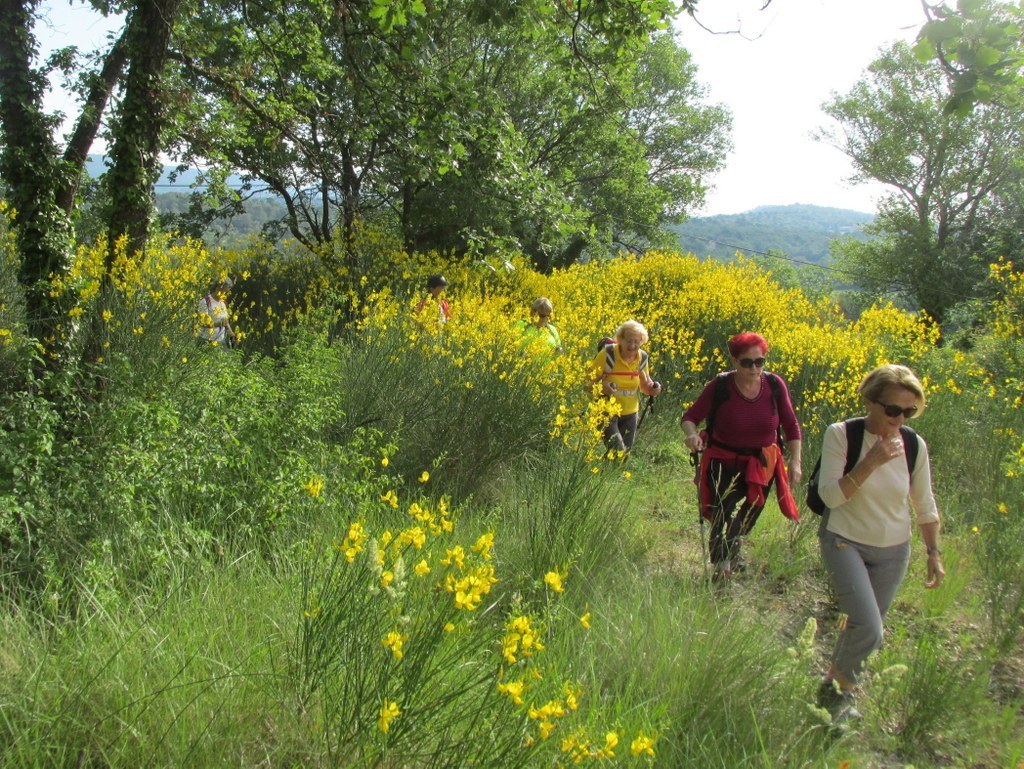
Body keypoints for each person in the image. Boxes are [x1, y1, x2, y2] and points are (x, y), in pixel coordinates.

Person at [814, 364, 944, 725]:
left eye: (908, 411)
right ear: (871, 401)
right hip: (844, 541)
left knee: (862, 627)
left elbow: (924, 502)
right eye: (893, 410)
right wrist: (870, 462)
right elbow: (830, 496)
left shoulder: (914, 445)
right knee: (870, 627)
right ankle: (843, 695)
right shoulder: (842, 435)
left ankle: (832, 687)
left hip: (894, 549)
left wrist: (933, 552)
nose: (899, 419)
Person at [680, 332, 802, 581]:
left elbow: (791, 425)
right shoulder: (721, 385)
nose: (754, 368)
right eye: (747, 362)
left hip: (762, 461)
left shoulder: (775, 385)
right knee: (720, 510)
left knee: (752, 510)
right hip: (723, 458)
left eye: (760, 362)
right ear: (734, 362)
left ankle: (734, 544)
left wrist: (796, 461)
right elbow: (690, 417)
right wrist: (691, 435)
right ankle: (721, 564)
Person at [589, 320, 662, 453]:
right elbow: (586, 383)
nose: (633, 345)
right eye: (629, 341)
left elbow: (645, 386)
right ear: (620, 339)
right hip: (606, 411)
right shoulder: (607, 355)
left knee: (623, 455)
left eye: (637, 342)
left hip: (630, 413)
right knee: (618, 452)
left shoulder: (642, 358)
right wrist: (601, 387)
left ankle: (605, 474)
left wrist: (653, 389)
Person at [198, 277, 236, 348]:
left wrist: (232, 335)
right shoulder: (205, 301)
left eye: (227, 292)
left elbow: (225, 322)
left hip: (220, 341)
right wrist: (220, 324)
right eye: (225, 291)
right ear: (218, 287)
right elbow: (202, 323)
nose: (226, 294)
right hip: (206, 340)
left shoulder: (223, 303)